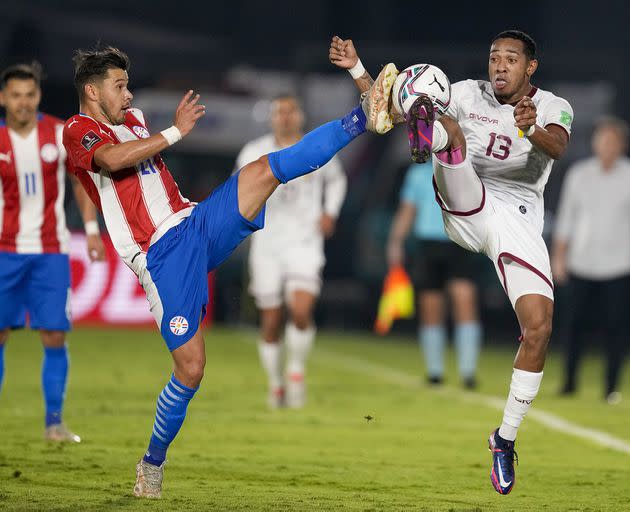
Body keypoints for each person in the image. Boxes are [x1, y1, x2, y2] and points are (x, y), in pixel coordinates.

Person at [62, 46, 397, 498]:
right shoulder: (78, 129)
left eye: (127, 84)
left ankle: (361, 119)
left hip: (195, 223)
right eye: (118, 86)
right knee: (192, 369)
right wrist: (176, 132)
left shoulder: (134, 117)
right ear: (91, 90)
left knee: (267, 170)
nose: (128, 94)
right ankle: (152, 462)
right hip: (160, 257)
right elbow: (112, 160)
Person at [330, 30, 573, 495]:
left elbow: (558, 146)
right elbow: (382, 110)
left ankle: (504, 440)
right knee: (448, 124)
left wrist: (530, 128)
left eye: (510, 60)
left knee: (539, 328)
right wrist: (361, 72)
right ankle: (432, 135)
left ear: (530, 68)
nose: (499, 66)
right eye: (494, 57)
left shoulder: (553, 104)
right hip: (468, 200)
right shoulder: (463, 92)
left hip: (519, 218)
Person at [0, 62, 105, 443]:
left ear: (38, 96)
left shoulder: (59, 132)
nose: (23, 102)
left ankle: (54, 423)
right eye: (16, 95)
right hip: (4, 251)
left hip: (51, 252)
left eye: (29, 95)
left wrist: (92, 230)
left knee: (55, 336)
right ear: (3, 98)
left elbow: (81, 182)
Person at [235, 95, 347, 409]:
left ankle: (296, 370)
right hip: (267, 244)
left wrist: (330, 211)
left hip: (305, 242)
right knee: (270, 321)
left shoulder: (316, 146)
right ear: (272, 117)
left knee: (300, 311)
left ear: (299, 116)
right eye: (279, 112)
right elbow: (239, 187)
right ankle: (275, 383)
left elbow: (337, 181)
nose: (284, 117)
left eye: (290, 111)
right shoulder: (254, 151)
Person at [551, 117, 630, 404]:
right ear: (595, 143)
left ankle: (611, 387)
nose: (607, 146)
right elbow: (566, 219)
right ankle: (569, 382)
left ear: (623, 145)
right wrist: (559, 257)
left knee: (616, 326)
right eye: (602, 140)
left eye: (613, 141)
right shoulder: (579, 174)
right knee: (573, 325)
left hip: (619, 264)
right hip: (581, 262)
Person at [387, 159, 482, 389]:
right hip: (428, 244)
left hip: (461, 241)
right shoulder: (418, 172)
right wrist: (395, 242)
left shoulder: (467, 168)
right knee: (431, 306)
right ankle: (435, 372)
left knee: (465, 300)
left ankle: (468, 372)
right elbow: (408, 209)